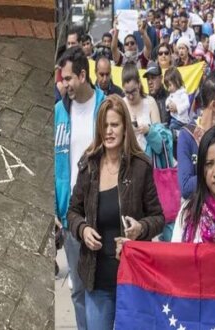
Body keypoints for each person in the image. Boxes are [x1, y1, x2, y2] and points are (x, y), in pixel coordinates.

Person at [68, 95, 163, 330]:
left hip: (133, 280)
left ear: (124, 129)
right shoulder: (88, 165)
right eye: (105, 125)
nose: (109, 131)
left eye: (115, 125)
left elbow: (158, 217)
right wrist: (82, 228)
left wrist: (141, 228)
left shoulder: (140, 167)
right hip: (97, 280)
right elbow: (72, 212)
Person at [54, 46, 106, 330]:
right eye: (62, 78)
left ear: (83, 76)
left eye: (69, 78)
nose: (64, 84)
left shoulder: (107, 108)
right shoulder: (59, 112)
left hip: (104, 212)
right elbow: (53, 161)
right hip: (72, 215)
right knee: (78, 288)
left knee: (101, 287)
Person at [121, 63, 161, 152]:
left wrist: (149, 131)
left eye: (133, 91)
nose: (131, 97)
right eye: (127, 93)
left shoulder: (150, 102)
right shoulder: (120, 105)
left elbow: (160, 144)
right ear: (123, 88)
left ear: (139, 84)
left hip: (148, 160)